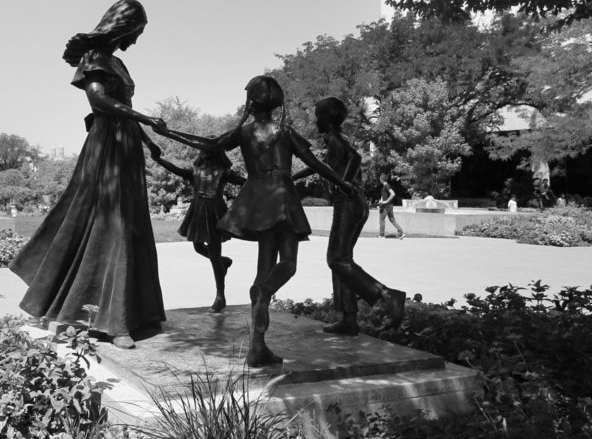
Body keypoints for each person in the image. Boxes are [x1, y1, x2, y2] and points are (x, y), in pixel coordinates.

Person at [157, 75, 355, 367]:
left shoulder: (246, 132)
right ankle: (263, 295)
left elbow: (209, 144)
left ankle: (257, 346)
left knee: (264, 269)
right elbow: (314, 163)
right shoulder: (284, 131)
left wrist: (168, 132)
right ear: (277, 103)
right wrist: (342, 182)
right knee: (287, 264)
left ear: (251, 102)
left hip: (258, 200)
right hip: (282, 199)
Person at [9, 0, 167, 350]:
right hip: (107, 148)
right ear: (124, 27)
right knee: (109, 224)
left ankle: (125, 312)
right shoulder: (95, 59)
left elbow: (121, 110)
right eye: (137, 32)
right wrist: (146, 119)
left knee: (128, 225)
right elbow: (99, 103)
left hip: (126, 146)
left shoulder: (118, 63)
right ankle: (112, 321)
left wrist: (147, 140)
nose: (137, 40)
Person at [292, 98, 406, 335]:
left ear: (326, 118)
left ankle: (386, 294)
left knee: (336, 260)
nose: (315, 121)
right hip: (354, 202)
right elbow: (318, 166)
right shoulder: (335, 140)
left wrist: (344, 183)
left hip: (348, 203)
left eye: (317, 116)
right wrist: (291, 177)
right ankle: (348, 319)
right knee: (343, 261)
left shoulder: (334, 138)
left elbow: (355, 157)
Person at [146, 141, 245, 313]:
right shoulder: (195, 172)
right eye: (203, 150)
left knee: (214, 254)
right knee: (198, 247)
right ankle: (223, 263)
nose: (205, 154)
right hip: (198, 211)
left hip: (215, 212)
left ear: (216, 153)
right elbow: (176, 170)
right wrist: (159, 160)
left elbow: (245, 183)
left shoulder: (224, 172)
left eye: (209, 150)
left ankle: (220, 296)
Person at [377, 175, 406, 239]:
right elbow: (384, 195)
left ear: (381, 179)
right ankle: (401, 233)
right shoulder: (385, 186)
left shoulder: (386, 185)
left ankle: (381, 235)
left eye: (379, 178)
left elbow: (393, 194)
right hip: (389, 205)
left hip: (386, 206)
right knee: (392, 219)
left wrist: (386, 201)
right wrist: (381, 201)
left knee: (381, 220)